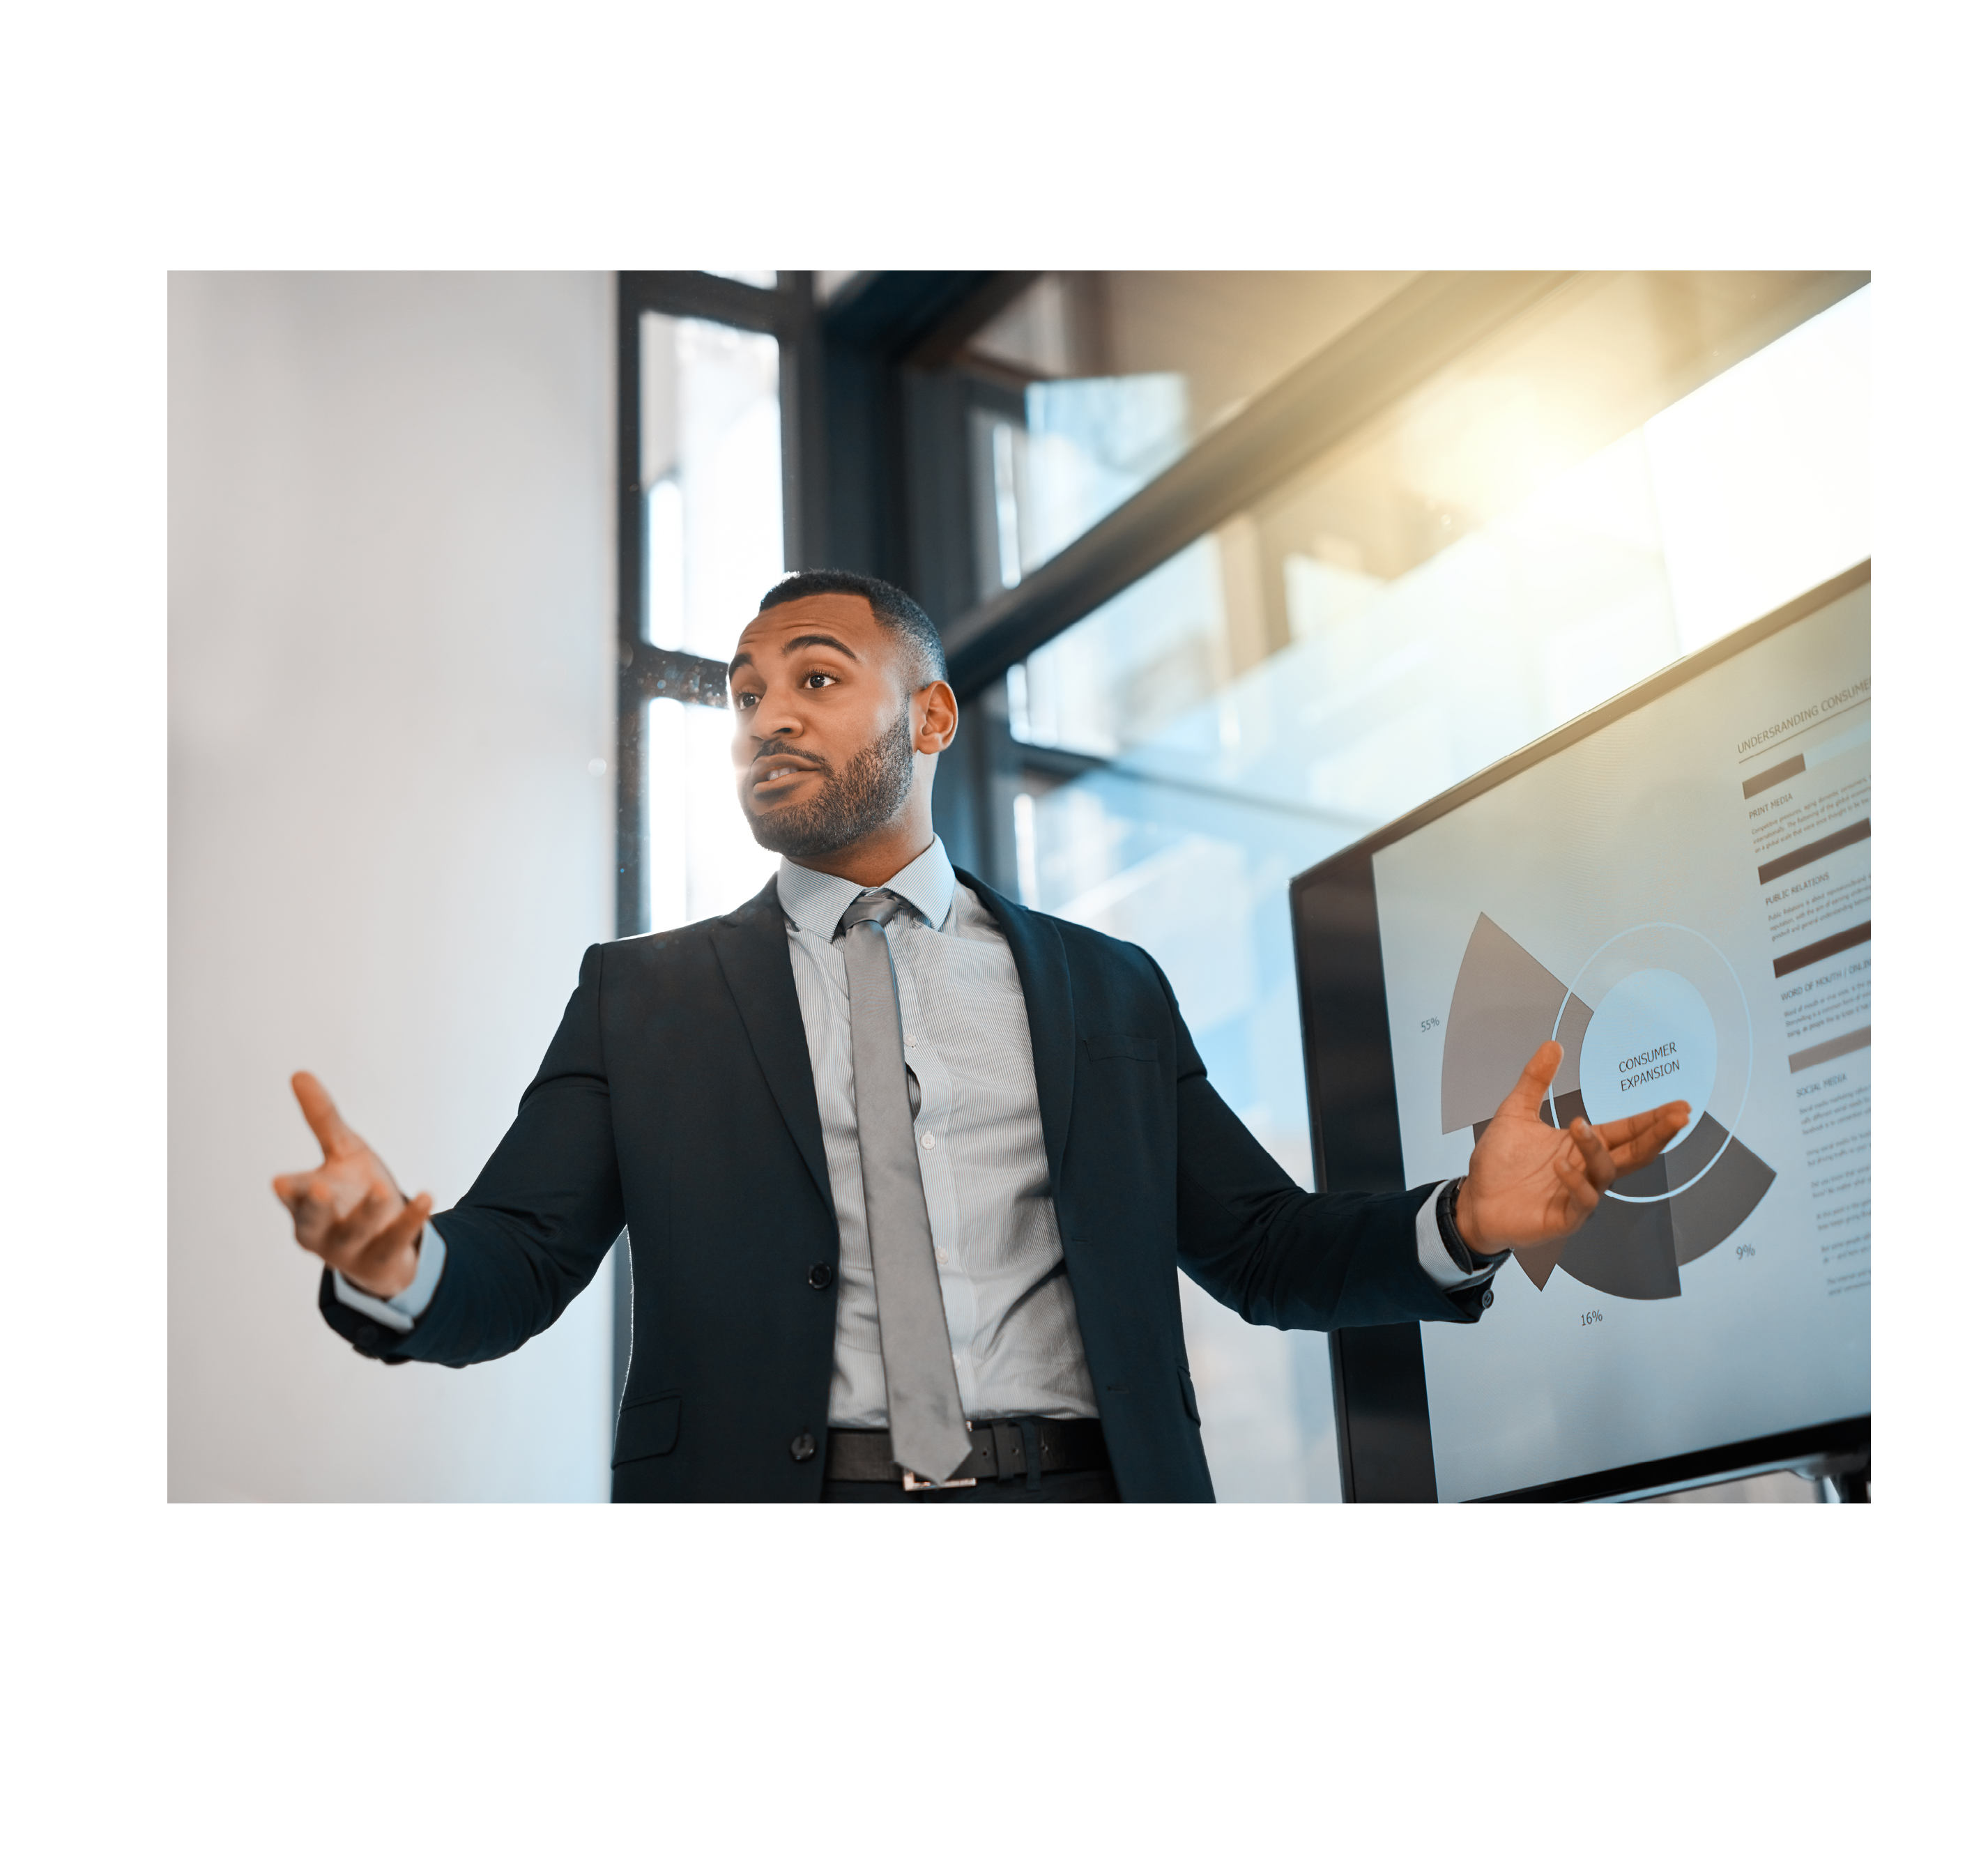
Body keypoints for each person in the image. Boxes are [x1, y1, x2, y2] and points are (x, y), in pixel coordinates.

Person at [274, 570, 1689, 1502]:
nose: (766, 718)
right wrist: (399, 1263)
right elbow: (516, 1265)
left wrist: (1462, 1223)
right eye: (746, 695)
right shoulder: (641, 998)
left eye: (814, 680)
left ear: (932, 714)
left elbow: (1261, 1251)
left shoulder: (1108, 988)